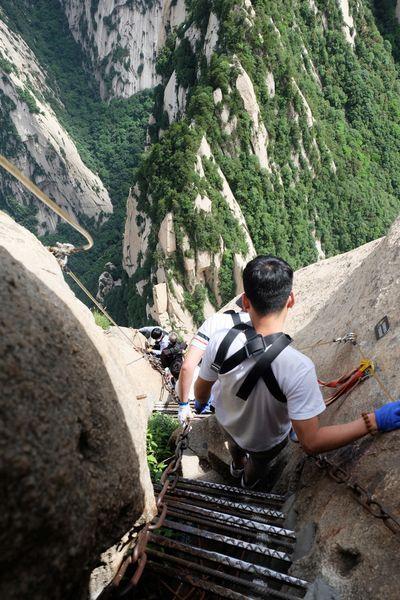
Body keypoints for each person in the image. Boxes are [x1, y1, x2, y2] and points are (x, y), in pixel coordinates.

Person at [194, 255, 400, 489]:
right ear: (290, 300)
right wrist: (374, 421)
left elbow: (201, 391)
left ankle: (237, 464)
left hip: (227, 422)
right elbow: (311, 442)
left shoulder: (220, 340)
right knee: (259, 463)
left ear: (246, 302)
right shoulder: (298, 368)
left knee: (235, 443)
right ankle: (247, 483)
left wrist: (201, 403)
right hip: (265, 442)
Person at [177, 307, 251, 423]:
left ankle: (201, 412)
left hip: (219, 403)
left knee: (201, 402)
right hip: (251, 405)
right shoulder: (269, 328)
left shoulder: (215, 322)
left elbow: (187, 367)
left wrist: (183, 405)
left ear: (245, 301)